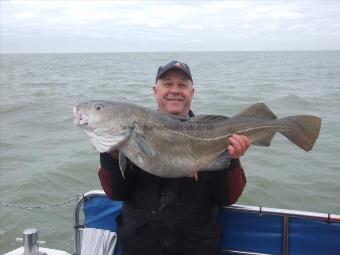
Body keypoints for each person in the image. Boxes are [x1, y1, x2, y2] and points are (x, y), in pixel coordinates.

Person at [98, 61, 251, 255]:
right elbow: (117, 193)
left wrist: (232, 160)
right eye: (168, 84)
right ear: (155, 90)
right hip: (140, 246)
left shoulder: (213, 132)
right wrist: (112, 154)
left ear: (192, 92)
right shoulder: (131, 131)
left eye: (182, 85)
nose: (175, 90)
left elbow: (226, 198)